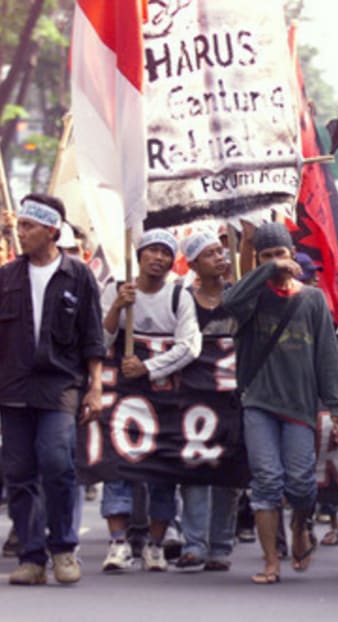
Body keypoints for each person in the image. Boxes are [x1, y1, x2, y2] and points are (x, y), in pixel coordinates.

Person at [222, 222, 338, 584]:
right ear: (258, 261)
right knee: (266, 482)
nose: (276, 262)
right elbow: (228, 303)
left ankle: (299, 525)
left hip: (299, 407)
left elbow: (327, 354)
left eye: (281, 254)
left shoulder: (311, 299)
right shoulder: (251, 297)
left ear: (294, 256)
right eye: (267, 256)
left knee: (301, 484)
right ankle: (270, 560)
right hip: (258, 403)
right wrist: (264, 272)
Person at [0, 193, 105, 585]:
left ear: (51, 231)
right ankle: (31, 557)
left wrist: (94, 388)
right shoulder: (6, 277)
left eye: (28, 227)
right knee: (19, 472)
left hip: (60, 385)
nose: (20, 232)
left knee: (57, 460)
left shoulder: (78, 276)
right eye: (19, 225)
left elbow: (93, 337)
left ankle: (63, 548)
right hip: (12, 387)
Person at [100, 228, 202, 573]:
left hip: (163, 398)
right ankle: (118, 543)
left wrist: (147, 367)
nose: (158, 258)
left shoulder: (179, 297)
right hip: (122, 397)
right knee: (117, 466)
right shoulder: (116, 290)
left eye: (165, 253)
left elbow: (190, 345)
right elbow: (97, 341)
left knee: (162, 471)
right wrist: (117, 307)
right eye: (152, 251)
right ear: (139, 254)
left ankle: (155, 545)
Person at [175, 230, 241, 572]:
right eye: (211, 253)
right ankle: (194, 545)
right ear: (194, 264)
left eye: (222, 251)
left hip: (233, 397)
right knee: (195, 468)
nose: (220, 257)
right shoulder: (183, 299)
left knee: (228, 472)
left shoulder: (239, 296)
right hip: (193, 396)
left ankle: (220, 547)